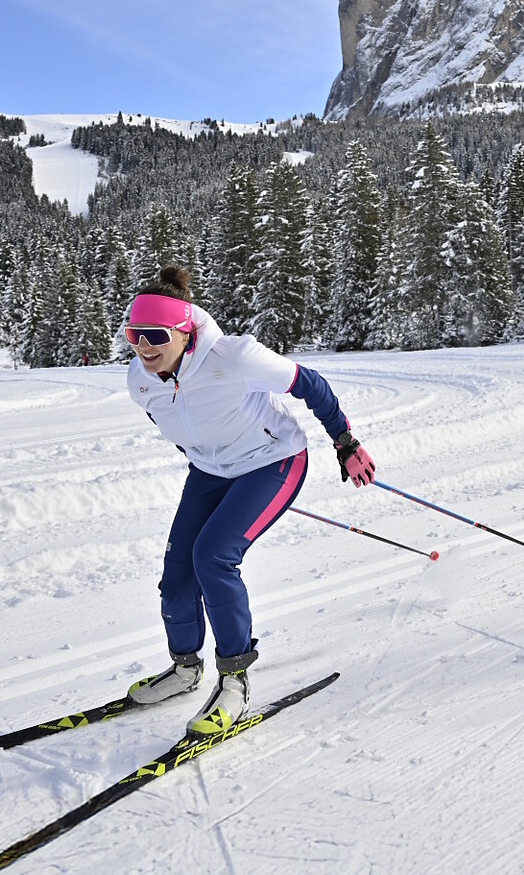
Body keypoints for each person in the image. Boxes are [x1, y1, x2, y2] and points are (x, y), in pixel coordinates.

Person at [120, 266, 378, 737]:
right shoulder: (141, 380)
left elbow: (310, 383)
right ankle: (184, 669)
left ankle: (234, 682)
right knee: (176, 575)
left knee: (213, 556)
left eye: (155, 334)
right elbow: (179, 429)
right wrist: (209, 463)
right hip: (212, 471)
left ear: (184, 330)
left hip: (273, 461)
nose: (143, 346)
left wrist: (345, 442)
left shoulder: (234, 358)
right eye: (134, 334)